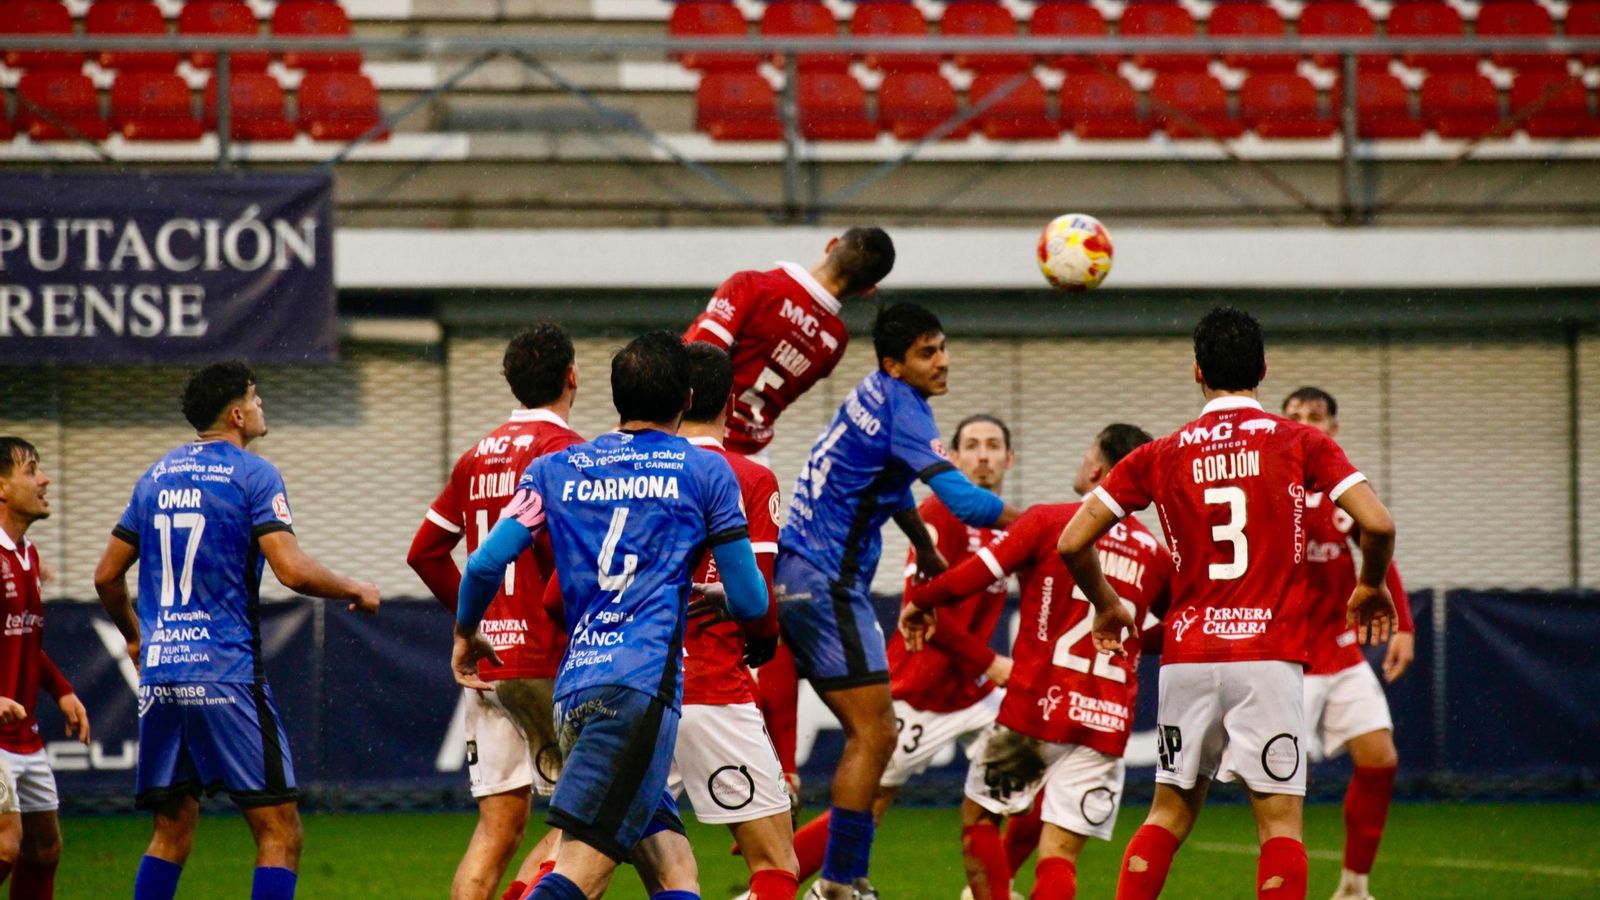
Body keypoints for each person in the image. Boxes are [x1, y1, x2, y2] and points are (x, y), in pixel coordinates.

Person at [1055, 307, 1398, 900]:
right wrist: (1369, 584)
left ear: (1197, 371)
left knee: (1167, 815)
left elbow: (1071, 541)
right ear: (1263, 369)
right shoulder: (1299, 442)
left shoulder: (1159, 454)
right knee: (1279, 826)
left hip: (1188, 658)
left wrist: (1108, 605)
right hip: (1268, 656)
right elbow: (1378, 523)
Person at [451, 331, 771, 900]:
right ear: (688, 397)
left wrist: (465, 632)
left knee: (674, 869)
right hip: (641, 694)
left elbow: (482, 566)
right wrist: (722, 603)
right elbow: (751, 602)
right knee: (578, 873)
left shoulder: (556, 468)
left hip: (574, 694)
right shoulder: (706, 474)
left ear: (616, 395)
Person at [94, 362, 381, 900]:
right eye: (257, 396)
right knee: (280, 832)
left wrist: (136, 637)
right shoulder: (253, 474)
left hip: (161, 677)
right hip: (223, 672)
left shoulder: (156, 475)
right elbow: (290, 570)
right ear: (236, 412)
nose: (261, 405)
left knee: (171, 830)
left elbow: (106, 575)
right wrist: (353, 587)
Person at [777, 303, 1020, 900]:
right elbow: (963, 501)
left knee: (874, 738)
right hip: (826, 581)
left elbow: (885, 483)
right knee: (875, 735)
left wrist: (922, 547)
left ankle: (821, 879)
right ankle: (835, 882)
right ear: (894, 363)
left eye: (942, 347)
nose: (942, 362)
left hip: (799, 572)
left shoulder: (874, 392)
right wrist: (1047, 522)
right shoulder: (906, 409)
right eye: (926, 353)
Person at [901, 424, 1170, 900]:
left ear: (1097, 469)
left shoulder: (1049, 522)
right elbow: (1166, 633)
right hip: (1106, 722)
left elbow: (967, 579)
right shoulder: (1155, 556)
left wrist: (920, 600)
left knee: (980, 817)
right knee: (1060, 856)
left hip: (1035, 711)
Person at [407, 325, 584, 900]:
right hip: (549, 660)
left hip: (488, 665)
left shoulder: (476, 456)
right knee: (587, 827)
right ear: (571, 378)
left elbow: (425, 552)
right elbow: (569, 560)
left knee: (496, 831)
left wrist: (475, 626)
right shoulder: (566, 452)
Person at [668, 341, 798, 900]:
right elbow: (757, 601)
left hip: (623, 686)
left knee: (574, 859)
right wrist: (764, 639)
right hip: (711, 689)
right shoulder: (748, 477)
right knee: (775, 865)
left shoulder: (619, 473)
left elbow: (559, 597)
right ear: (730, 403)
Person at [1280, 387, 1414, 900]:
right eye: (1294, 416)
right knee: (1282, 788)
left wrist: (1403, 625)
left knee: (1380, 758)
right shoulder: (1269, 483)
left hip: (1339, 650)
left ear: (1332, 429)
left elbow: (1380, 549)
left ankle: (1354, 886)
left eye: (1315, 417)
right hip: (1286, 657)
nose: (1305, 423)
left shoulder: (1345, 490)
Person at [683, 227, 895, 461]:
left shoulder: (754, 286)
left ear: (831, 244)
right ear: (868, 290)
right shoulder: (835, 342)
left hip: (694, 442)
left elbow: (691, 362)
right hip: (752, 458)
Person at [0, 437, 90, 900]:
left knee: (44, 849)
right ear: (1, 487)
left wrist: (62, 690)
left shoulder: (27, 556)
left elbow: (25, 638)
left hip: (23, 733)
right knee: (5, 846)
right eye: (31, 469)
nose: (45, 478)